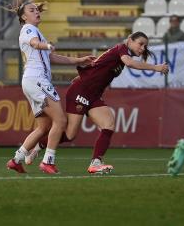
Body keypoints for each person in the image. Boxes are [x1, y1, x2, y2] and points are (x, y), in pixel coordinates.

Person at [28, 32, 169, 174]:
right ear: (130, 40)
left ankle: (96, 163)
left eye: (145, 45)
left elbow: (98, 64)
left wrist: (83, 76)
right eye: (140, 44)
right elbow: (130, 63)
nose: (143, 48)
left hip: (93, 95)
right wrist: (155, 67)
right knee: (70, 135)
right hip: (81, 92)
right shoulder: (122, 49)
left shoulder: (119, 53)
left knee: (108, 125)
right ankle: (39, 146)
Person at [6, 0, 95, 174]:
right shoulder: (29, 29)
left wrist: (79, 60)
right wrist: (45, 45)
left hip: (31, 81)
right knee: (61, 120)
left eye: (37, 9)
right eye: (31, 10)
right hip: (37, 79)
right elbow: (35, 43)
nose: (36, 12)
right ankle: (48, 161)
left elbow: (52, 57)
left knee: (44, 127)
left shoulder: (35, 31)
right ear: (23, 17)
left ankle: (16, 159)